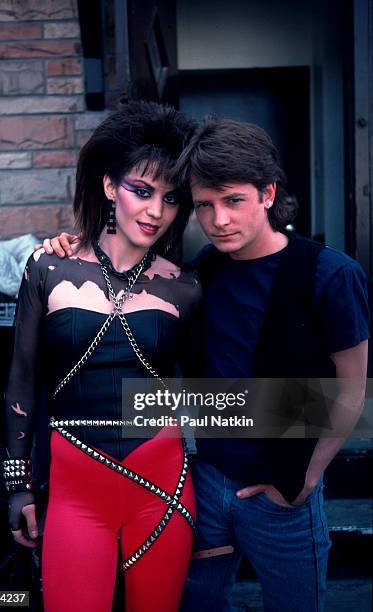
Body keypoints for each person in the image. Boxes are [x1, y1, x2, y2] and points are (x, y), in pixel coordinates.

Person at [41, 116, 369, 612]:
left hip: (282, 494)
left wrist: (304, 478)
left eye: (233, 201)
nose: (219, 220)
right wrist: (72, 249)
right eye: (205, 206)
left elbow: (351, 391)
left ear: (267, 193)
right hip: (207, 479)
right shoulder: (202, 273)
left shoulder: (331, 273)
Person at [4, 100, 202, 612]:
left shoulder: (184, 288)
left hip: (162, 486)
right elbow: (22, 379)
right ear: (111, 186)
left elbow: (209, 390)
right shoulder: (49, 266)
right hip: (74, 492)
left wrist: (295, 439)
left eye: (171, 197)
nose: (156, 211)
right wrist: (17, 487)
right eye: (142, 190)